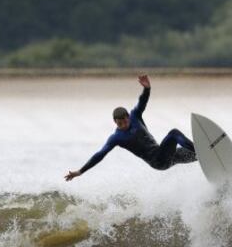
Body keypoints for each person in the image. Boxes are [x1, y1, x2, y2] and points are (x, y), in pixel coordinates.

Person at [65, 75, 196, 181]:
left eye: (125, 121)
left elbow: (142, 102)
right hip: (158, 161)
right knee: (174, 134)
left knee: (191, 154)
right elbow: (100, 155)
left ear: (128, 117)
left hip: (165, 154)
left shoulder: (135, 116)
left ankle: (205, 156)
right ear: (115, 123)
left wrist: (147, 89)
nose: (123, 125)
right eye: (119, 123)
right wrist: (80, 171)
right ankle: (200, 150)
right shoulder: (116, 138)